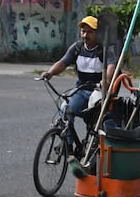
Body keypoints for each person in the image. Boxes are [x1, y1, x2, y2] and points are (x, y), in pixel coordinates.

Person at [41, 16, 118, 150]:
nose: (85, 35)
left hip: (99, 91)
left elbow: (111, 65)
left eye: (89, 32)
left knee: (95, 120)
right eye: (83, 31)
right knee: (65, 110)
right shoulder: (77, 48)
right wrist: (50, 73)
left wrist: (106, 81)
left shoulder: (104, 49)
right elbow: (63, 62)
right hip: (82, 90)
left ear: (97, 33)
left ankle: (94, 144)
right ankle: (67, 145)